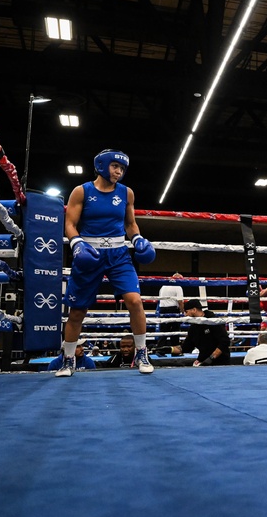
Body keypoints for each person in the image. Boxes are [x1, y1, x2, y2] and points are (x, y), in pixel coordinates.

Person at [58, 149, 157, 377]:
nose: (119, 172)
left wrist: (138, 239)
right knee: (77, 311)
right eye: (115, 166)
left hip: (118, 254)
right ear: (102, 165)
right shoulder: (81, 191)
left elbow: (130, 224)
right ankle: (68, 359)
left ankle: (141, 353)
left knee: (134, 301)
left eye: (122, 169)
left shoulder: (126, 193)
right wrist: (77, 244)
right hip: (89, 252)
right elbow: (70, 224)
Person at [166, 299, 231, 366]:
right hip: (203, 360)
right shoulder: (193, 328)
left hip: (221, 362)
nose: (185, 314)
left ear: (194, 310)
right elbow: (185, 348)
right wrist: (169, 349)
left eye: (186, 311)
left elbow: (225, 341)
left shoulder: (212, 321)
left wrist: (211, 358)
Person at [157, 272, 185, 347]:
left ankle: (159, 350)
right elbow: (180, 301)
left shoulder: (163, 286)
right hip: (173, 310)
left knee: (163, 332)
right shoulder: (178, 287)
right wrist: (183, 312)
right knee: (175, 332)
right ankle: (175, 350)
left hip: (162, 310)